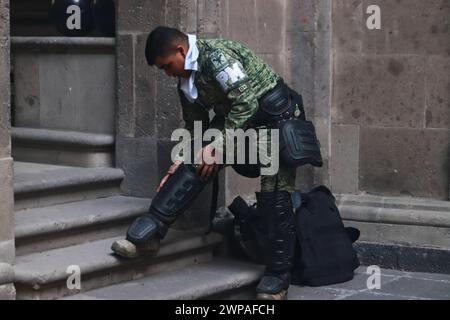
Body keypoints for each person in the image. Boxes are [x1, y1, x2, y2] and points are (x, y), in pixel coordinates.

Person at [111, 26, 310, 300]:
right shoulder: (185, 80)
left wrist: (216, 147)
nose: (167, 73)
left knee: (275, 194)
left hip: (275, 121)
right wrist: (180, 160)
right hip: (240, 121)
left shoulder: (216, 57)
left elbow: (246, 103)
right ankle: (152, 232)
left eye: (167, 66)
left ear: (181, 50)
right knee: (196, 162)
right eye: (162, 70)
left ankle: (278, 279)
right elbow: (195, 126)